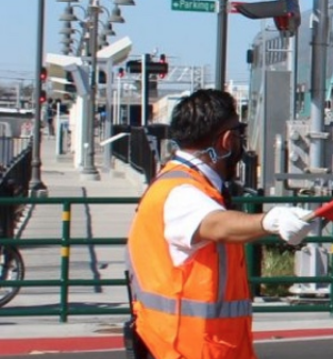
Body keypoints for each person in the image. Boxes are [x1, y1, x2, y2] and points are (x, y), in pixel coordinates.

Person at [125, 89, 312, 359]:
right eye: (240, 133)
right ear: (227, 140)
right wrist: (270, 220)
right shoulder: (183, 192)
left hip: (191, 346)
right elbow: (217, 224)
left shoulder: (179, 183)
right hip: (191, 349)